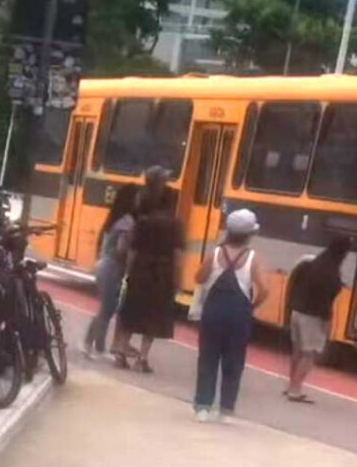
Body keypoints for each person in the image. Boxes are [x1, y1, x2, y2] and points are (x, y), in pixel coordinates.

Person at [191, 209, 267, 422]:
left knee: (208, 358)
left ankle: (203, 406)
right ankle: (226, 409)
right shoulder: (252, 258)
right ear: (250, 234)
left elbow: (199, 277)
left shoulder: (216, 253)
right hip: (238, 315)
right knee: (234, 361)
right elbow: (265, 289)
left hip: (213, 312)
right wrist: (252, 306)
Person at [112, 166, 184, 373]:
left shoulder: (142, 221)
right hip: (162, 272)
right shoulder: (175, 225)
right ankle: (142, 359)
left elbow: (132, 250)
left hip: (140, 270)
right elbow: (178, 255)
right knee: (153, 316)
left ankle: (120, 355)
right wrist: (178, 280)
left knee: (131, 312)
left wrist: (128, 272)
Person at [285, 236, 351, 403]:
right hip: (312, 318)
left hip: (297, 312)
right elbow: (325, 305)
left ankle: (290, 385)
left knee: (297, 351)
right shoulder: (333, 276)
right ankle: (295, 390)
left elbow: (295, 283)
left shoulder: (310, 263)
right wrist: (327, 326)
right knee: (309, 355)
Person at [82, 183, 140, 359]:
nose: (139, 201)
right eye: (137, 197)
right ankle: (92, 346)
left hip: (104, 265)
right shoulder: (127, 222)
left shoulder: (116, 218)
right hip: (112, 267)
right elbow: (122, 249)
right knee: (107, 309)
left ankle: (94, 345)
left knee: (106, 309)